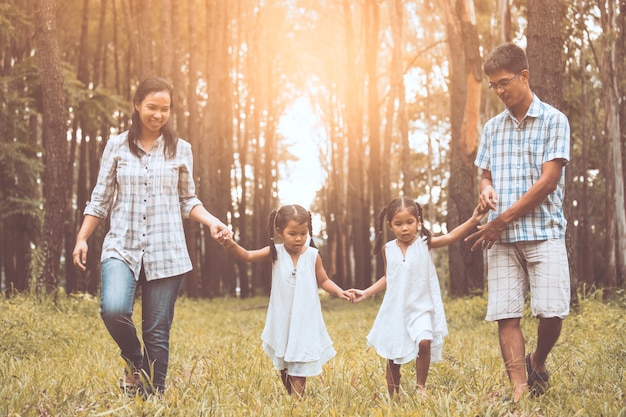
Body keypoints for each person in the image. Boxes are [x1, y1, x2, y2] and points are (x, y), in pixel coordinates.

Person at [72, 77, 230, 397]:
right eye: (152, 107)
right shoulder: (116, 145)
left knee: (157, 332)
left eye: (165, 109)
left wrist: (212, 221)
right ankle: (135, 362)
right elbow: (100, 199)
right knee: (113, 309)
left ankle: (153, 397)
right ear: (137, 105)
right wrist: (82, 238)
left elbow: (188, 200)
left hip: (166, 249)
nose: (158, 115)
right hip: (122, 245)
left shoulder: (180, 149)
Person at [465, 43, 571, 402]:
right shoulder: (492, 128)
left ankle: (537, 360)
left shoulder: (555, 120)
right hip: (502, 241)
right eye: (493, 85)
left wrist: (500, 220)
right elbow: (485, 175)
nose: (498, 91)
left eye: (503, 82)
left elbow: (548, 182)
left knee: (552, 311)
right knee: (506, 315)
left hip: (544, 232)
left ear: (524, 76)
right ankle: (520, 393)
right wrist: (486, 190)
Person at [350, 196, 488, 397]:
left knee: (424, 342)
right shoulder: (387, 249)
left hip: (421, 307)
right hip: (396, 310)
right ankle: (393, 396)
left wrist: (474, 219)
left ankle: (420, 387)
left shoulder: (425, 243)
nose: (405, 228)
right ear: (390, 226)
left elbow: (451, 236)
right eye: (398, 224)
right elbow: (389, 277)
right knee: (393, 356)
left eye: (409, 222)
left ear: (418, 221)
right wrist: (367, 291)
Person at [216, 204, 353, 398]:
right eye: (293, 233)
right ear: (279, 232)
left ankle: (296, 404)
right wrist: (230, 244)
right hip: (282, 317)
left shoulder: (313, 255)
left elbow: (323, 280)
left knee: (299, 360)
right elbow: (247, 256)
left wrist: (340, 292)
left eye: (304, 233)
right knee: (284, 363)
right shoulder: (275, 252)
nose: (299, 238)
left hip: (305, 317)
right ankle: (292, 396)